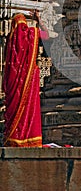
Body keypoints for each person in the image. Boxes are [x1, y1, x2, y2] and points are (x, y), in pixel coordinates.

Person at [2, 11, 49, 147]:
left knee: (15, 110)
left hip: (14, 83)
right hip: (29, 79)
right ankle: (29, 138)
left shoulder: (10, 42)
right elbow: (47, 35)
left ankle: (14, 138)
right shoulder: (30, 34)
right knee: (29, 108)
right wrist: (38, 20)